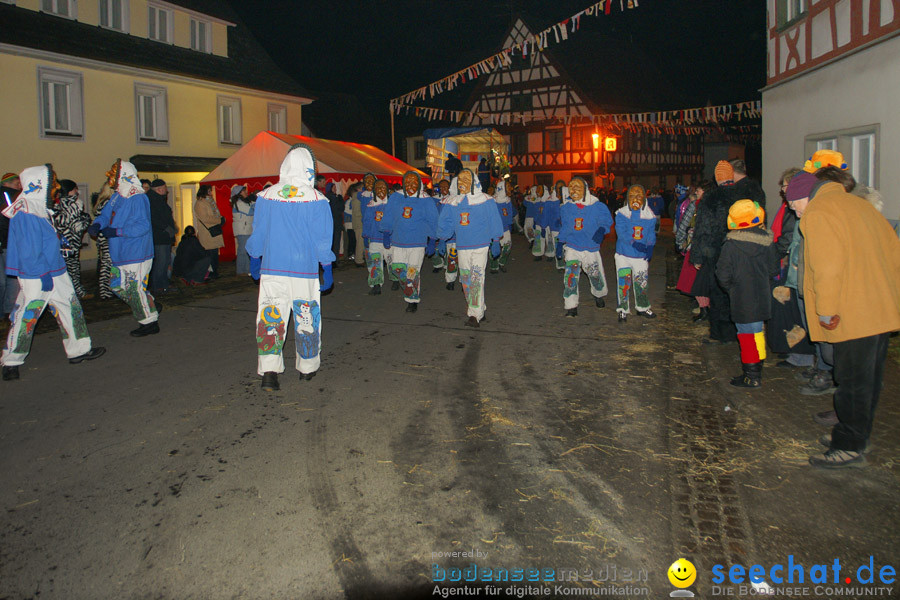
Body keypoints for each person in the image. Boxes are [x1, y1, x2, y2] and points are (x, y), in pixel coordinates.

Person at [783, 171, 900, 468]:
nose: (793, 211)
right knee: (869, 380)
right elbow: (894, 254)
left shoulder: (820, 212)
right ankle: (859, 434)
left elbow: (828, 266)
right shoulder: (860, 206)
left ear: (804, 196)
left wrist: (826, 309)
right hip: (878, 308)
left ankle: (848, 445)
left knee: (851, 382)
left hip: (850, 310)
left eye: (794, 204)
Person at [2, 164, 105, 380]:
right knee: (27, 316)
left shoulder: (38, 207)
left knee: (70, 307)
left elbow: (45, 241)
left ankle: (79, 349)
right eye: (52, 182)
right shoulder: (27, 212)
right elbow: (29, 250)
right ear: (39, 185)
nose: (56, 187)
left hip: (55, 270)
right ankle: (11, 360)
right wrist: (42, 276)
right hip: (38, 274)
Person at [246, 143, 335, 391]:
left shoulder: (266, 196)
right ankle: (306, 368)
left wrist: (255, 258)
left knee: (270, 318)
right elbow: (322, 238)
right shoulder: (318, 199)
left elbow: (259, 232)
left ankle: (269, 372)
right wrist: (326, 266)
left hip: (273, 269)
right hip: (303, 271)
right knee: (306, 317)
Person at [87, 159, 160, 337]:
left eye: (114, 174)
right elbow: (105, 215)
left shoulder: (138, 197)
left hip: (137, 252)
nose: (110, 177)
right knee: (117, 286)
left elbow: (142, 226)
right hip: (119, 251)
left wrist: (118, 231)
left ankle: (149, 323)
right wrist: (97, 224)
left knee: (133, 289)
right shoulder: (118, 196)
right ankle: (149, 304)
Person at [715, 200, 779, 388]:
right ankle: (758, 367)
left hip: (742, 296)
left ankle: (751, 375)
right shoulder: (767, 240)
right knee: (757, 332)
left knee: (746, 335)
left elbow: (722, 274)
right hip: (762, 294)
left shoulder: (731, 244)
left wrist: (732, 288)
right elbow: (773, 269)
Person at [436, 168, 503, 327]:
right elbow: (446, 222)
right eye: (459, 180)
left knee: (476, 278)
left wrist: (495, 241)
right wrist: (442, 239)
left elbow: (494, 220)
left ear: (474, 182)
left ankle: (474, 314)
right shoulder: (453, 202)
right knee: (465, 279)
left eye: (466, 180)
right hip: (462, 245)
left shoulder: (486, 200)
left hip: (480, 245)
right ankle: (480, 309)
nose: (462, 183)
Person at [378, 170, 438, 313]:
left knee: (412, 272)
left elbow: (433, 220)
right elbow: (389, 215)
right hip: (398, 241)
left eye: (414, 182)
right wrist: (386, 232)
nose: (410, 184)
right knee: (398, 269)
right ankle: (409, 289)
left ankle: (412, 300)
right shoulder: (395, 197)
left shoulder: (426, 199)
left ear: (419, 184)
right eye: (407, 182)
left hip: (417, 242)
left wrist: (433, 239)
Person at [556, 176, 613, 317]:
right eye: (571, 187)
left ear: (585, 190)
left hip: (590, 247)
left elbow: (606, 221)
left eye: (578, 187)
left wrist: (601, 230)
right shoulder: (567, 207)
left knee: (595, 274)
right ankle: (571, 306)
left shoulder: (597, 206)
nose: (574, 190)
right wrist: (560, 242)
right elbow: (566, 226)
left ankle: (598, 294)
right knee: (571, 275)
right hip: (573, 246)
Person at [614, 184, 658, 323]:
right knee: (624, 282)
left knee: (641, 282)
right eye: (632, 195)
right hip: (624, 254)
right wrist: (634, 243)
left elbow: (651, 233)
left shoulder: (649, 215)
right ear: (628, 198)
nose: (635, 198)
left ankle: (642, 307)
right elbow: (621, 232)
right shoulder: (621, 214)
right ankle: (623, 309)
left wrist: (650, 246)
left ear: (644, 198)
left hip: (641, 256)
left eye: (639, 195)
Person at [51, 180, 93, 300]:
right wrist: (82, 218)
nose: (77, 192)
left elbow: (79, 223)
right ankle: (72, 294)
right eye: (75, 189)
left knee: (73, 269)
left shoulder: (67, 204)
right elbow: (67, 222)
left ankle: (75, 292)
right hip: (66, 244)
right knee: (69, 270)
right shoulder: (67, 205)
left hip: (71, 243)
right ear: (69, 191)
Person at [361, 178, 392, 295]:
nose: (381, 190)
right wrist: (366, 234)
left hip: (390, 239)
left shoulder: (392, 203)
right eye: (378, 187)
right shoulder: (371, 204)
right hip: (375, 239)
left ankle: (395, 280)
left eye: (383, 187)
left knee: (391, 261)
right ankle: (376, 284)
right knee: (375, 262)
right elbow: (367, 221)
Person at [147, 179, 176, 294]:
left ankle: (163, 283)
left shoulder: (157, 199)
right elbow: (154, 218)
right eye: (164, 188)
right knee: (161, 262)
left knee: (165, 261)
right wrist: (166, 227)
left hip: (163, 236)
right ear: (159, 189)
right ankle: (158, 285)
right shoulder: (153, 200)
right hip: (160, 237)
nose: (166, 191)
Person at [1, 172, 22, 316]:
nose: (18, 186)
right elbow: (12, 218)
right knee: (11, 280)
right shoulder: (12, 196)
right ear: (6, 184)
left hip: (6, 242)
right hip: (9, 242)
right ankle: (8, 312)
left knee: (5, 281)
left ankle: (5, 313)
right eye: (16, 183)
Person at [194, 184, 224, 279]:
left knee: (214, 253)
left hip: (214, 231)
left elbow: (215, 214)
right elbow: (205, 218)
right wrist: (219, 220)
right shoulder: (200, 203)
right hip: (208, 232)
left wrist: (220, 219)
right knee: (210, 254)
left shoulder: (211, 202)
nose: (211, 193)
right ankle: (211, 272)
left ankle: (215, 271)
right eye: (209, 191)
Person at [90, 182, 115, 300]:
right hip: (106, 237)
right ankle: (105, 291)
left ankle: (105, 289)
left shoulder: (101, 203)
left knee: (105, 263)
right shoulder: (107, 203)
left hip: (103, 237)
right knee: (107, 264)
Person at [490, 178, 515, 273]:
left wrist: (510, 224)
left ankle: (501, 262)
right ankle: (494, 266)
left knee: (507, 246)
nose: (510, 189)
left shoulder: (508, 200)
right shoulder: (492, 200)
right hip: (494, 229)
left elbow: (510, 213)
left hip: (505, 228)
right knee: (494, 248)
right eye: (508, 187)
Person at [231, 184, 255, 276]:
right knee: (242, 251)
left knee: (246, 251)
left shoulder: (245, 202)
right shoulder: (238, 203)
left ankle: (247, 270)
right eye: (244, 191)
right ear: (239, 193)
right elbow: (250, 212)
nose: (246, 192)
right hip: (242, 230)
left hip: (247, 229)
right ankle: (241, 270)